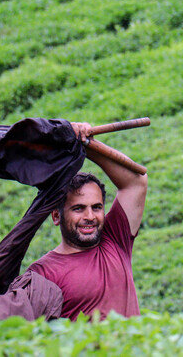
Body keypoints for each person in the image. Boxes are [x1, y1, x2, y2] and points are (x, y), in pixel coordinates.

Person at [26, 122, 148, 321]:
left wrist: (86, 144)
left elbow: (136, 181)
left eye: (97, 207)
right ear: (56, 216)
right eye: (78, 208)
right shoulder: (43, 273)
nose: (90, 216)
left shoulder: (115, 241)